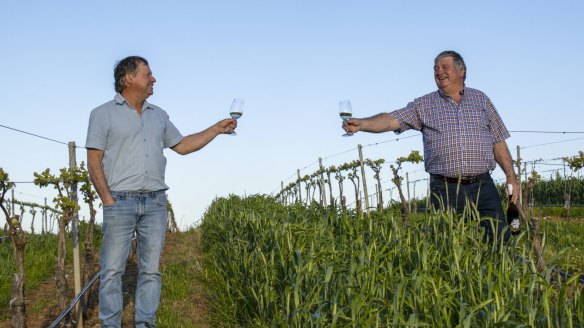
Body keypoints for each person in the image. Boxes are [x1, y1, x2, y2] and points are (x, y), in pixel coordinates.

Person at [86, 55, 237, 327]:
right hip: (119, 201)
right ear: (128, 79)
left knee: (151, 271)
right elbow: (93, 160)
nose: (153, 79)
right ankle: (110, 324)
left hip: (155, 202)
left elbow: (182, 146)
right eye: (148, 74)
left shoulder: (159, 115)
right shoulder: (102, 114)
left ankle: (145, 324)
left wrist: (215, 129)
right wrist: (108, 200)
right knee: (111, 270)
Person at [343, 50, 519, 242]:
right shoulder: (425, 104)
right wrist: (363, 124)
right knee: (445, 246)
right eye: (435, 68)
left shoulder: (481, 100)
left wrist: (511, 177)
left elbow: (498, 140)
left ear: (461, 71)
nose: (439, 72)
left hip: (483, 186)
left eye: (445, 67)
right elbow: (392, 120)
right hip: (445, 189)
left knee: (500, 240)